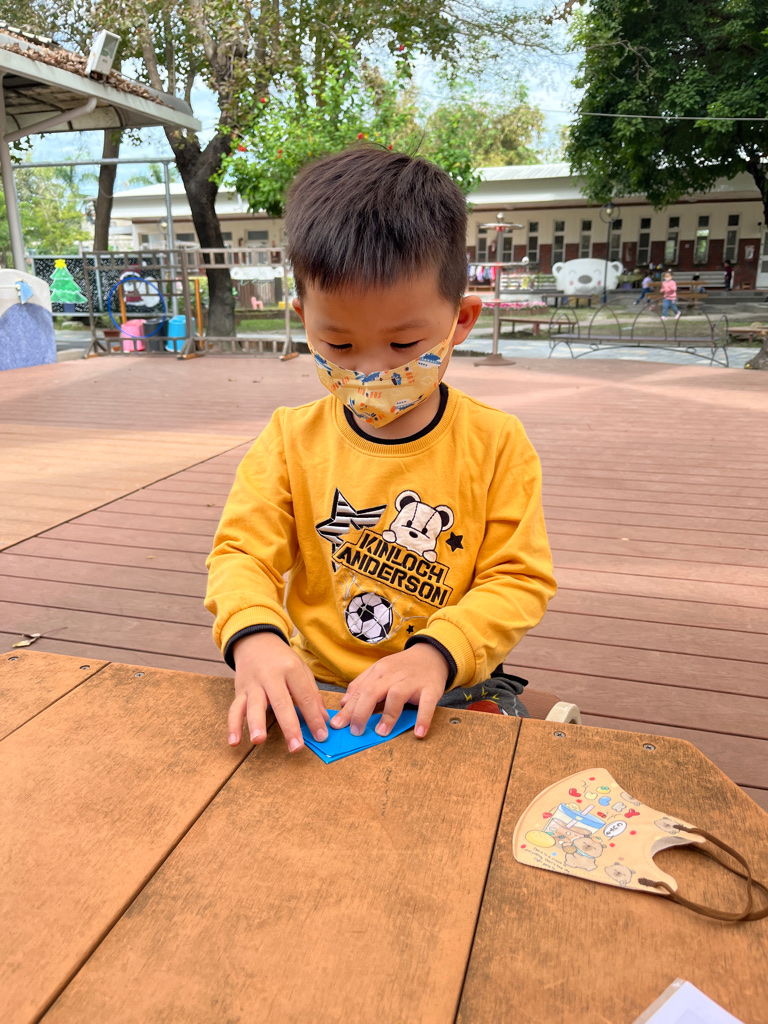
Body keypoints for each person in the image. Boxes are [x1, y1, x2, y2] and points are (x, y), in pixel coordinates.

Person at [205, 146, 557, 754]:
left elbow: (518, 577)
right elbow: (242, 553)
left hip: (448, 682)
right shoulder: (291, 439)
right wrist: (256, 637)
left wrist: (437, 653)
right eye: (339, 346)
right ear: (303, 319)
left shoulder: (496, 443)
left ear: (461, 320)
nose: (370, 370)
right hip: (315, 685)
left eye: (403, 343)